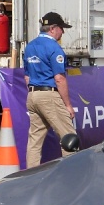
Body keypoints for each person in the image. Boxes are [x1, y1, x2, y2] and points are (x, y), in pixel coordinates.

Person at [23, 11, 76, 168]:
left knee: (35, 140)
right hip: (49, 94)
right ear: (53, 29)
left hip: (32, 95)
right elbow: (59, 78)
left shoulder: (30, 46)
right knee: (69, 136)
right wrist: (67, 105)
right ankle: (72, 173)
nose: (63, 32)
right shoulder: (54, 48)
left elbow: (26, 77)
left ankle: (30, 176)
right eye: (61, 28)